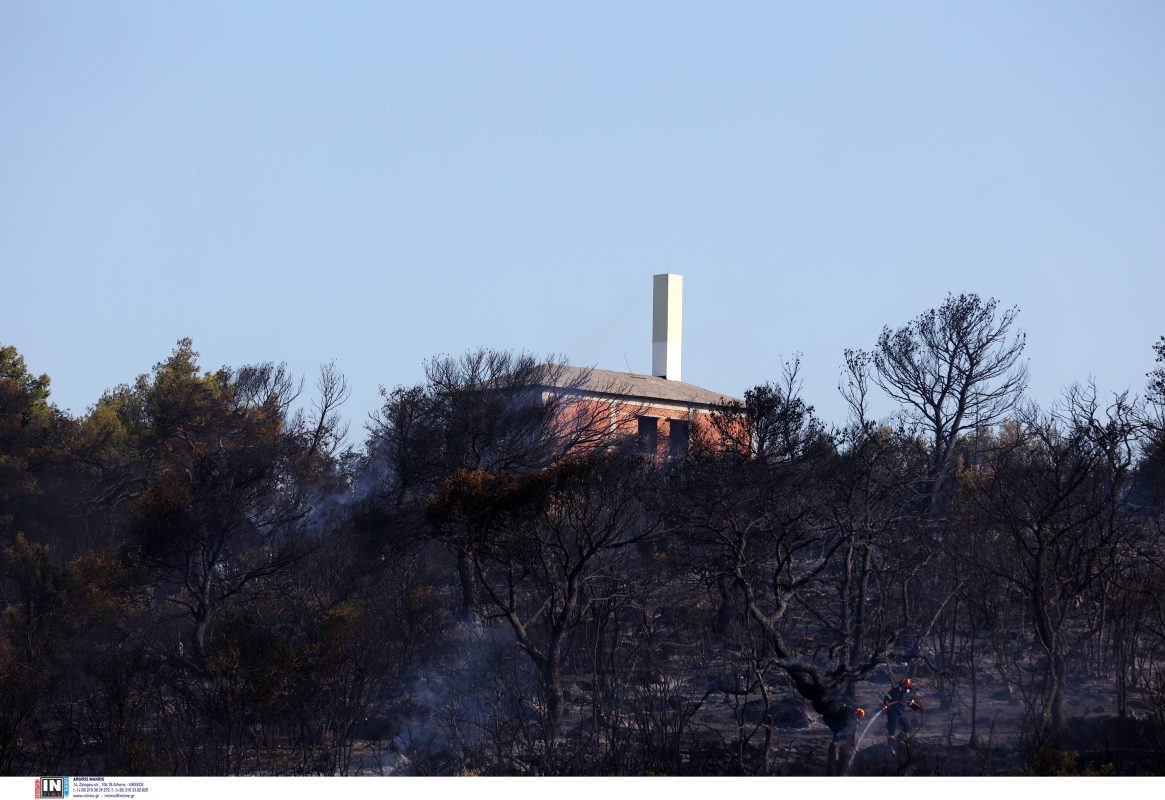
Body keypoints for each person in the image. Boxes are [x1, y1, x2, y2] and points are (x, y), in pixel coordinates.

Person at [882, 677, 923, 754]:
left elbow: (910, 703)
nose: (906, 689)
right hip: (893, 713)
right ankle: (891, 747)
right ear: (901, 686)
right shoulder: (894, 691)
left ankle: (900, 740)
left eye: (908, 688)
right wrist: (886, 702)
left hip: (901, 713)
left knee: (908, 728)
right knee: (892, 730)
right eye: (905, 687)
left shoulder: (908, 693)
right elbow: (886, 698)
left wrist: (918, 708)